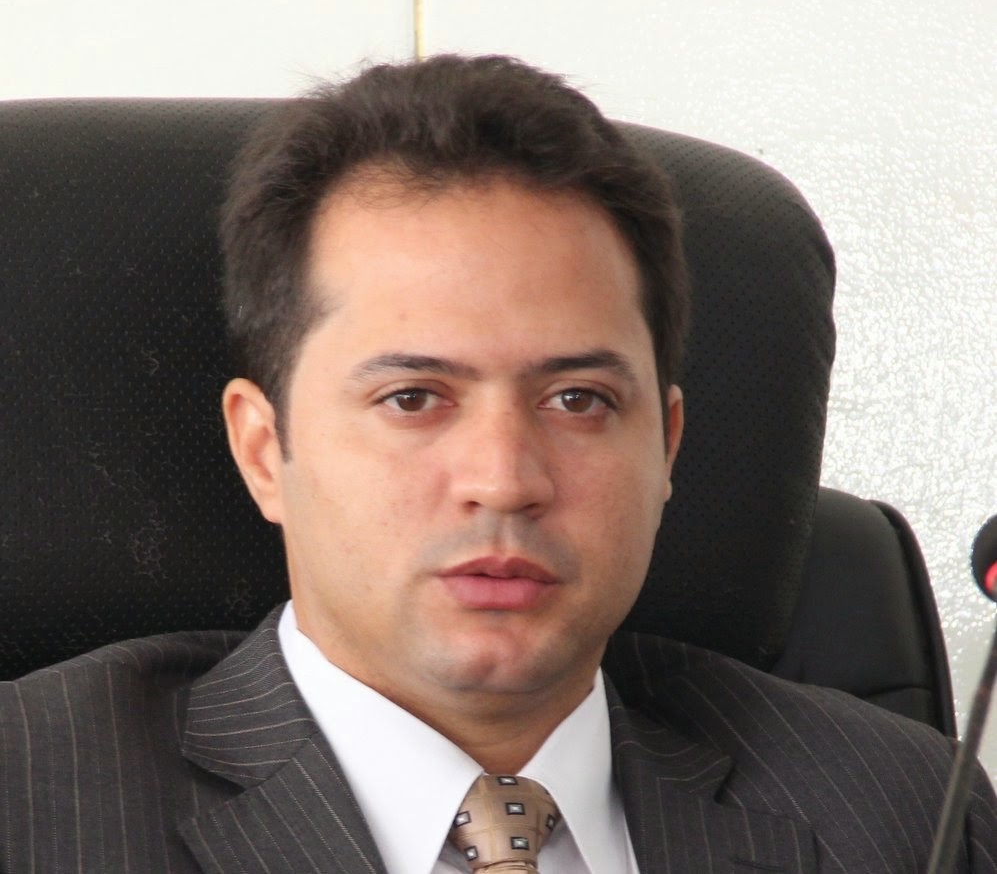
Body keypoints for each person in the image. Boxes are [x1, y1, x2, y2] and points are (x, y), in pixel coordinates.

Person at [1, 53, 994, 874]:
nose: (505, 480)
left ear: (665, 447)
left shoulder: (903, 818)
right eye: (413, 398)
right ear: (264, 451)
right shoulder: (31, 806)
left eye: (578, 401)